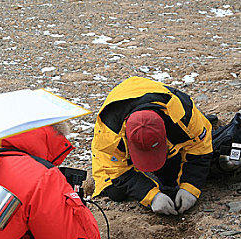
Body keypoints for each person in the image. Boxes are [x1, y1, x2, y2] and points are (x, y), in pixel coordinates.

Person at [91, 76, 213, 215]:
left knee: (172, 179)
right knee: (115, 192)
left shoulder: (183, 114)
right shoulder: (109, 134)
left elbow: (201, 147)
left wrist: (190, 188)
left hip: (165, 116)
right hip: (117, 129)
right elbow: (117, 171)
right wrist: (152, 196)